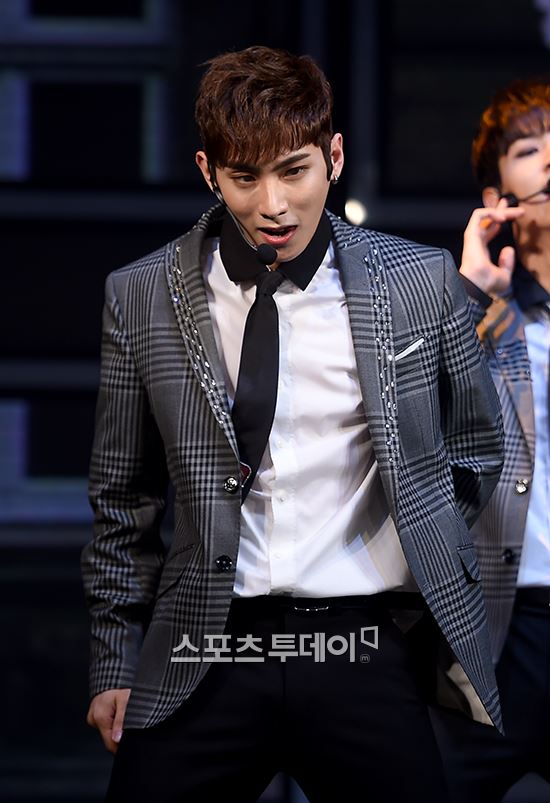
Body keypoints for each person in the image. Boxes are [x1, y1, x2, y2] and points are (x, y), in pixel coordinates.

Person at [81, 45, 504, 803]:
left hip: (362, 643)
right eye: (245, 177)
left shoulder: (419, 280)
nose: (273, 204)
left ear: (333, 158)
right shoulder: (141, 295)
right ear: (209, 172)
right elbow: (122, 499)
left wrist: (422, 553)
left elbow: (475, 449)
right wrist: (115, 659)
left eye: (294, 170)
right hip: (204, 645)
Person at [432, 78, 550, 802]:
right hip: (502, 633)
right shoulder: (478, 312)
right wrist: (471, 298)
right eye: (531, 149)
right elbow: (413, 437)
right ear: (496, 194)